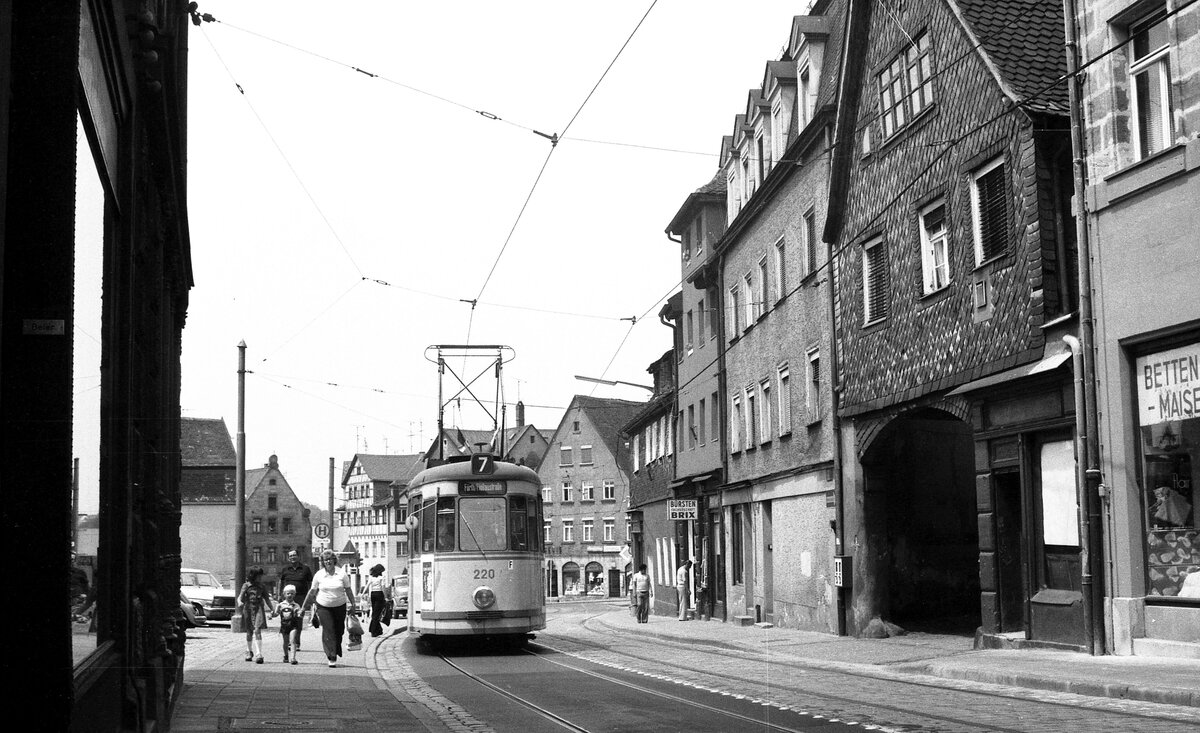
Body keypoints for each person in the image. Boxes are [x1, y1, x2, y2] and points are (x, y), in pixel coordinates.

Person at [301, 550, 357, 667]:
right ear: (322, 562)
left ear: (334, 560)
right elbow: (312, 592)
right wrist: (303, 607)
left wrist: (353, 604)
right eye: (325, 560)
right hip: (323, 606)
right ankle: (331, 655)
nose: (328, 561)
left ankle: (335, 648)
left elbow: (348, 590)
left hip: (340, 606)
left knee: (339, 631)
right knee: (328, 629)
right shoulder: (319, 575)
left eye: (330, 559)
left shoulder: (342, 574)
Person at [278, 550, 313, 649]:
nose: (293, 557)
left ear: (298, 556)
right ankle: (289, 642)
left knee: (298, 620)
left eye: (294, 555)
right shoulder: (285, 569)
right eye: (291, 556)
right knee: (287, 619)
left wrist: (311, 597)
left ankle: (296, 643)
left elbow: (311, 584)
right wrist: (280, 596)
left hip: (301, 597)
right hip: (287, 598)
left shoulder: (305, 569)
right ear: (289, 558)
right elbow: (281, 583)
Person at [239, 566, 274, 663]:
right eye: (258, 576)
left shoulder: (262, 586)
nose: (260, 577)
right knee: (249, 631)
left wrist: (272, 609)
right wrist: (239, 602)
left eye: (260, 575)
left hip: (258, 608)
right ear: (253, 576)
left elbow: (267, 599)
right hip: (248, 609)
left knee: (257, 630)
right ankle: (249, 651)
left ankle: (259, 654)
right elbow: (240, 597)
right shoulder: (246, 585)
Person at [270, 584, 303, 664]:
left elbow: (299, 615)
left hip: (293, 625)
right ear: (284, 594)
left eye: (292, 593)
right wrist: (272, 614)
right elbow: (276, 614)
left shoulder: (296, 605)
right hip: (284, 626)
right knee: (285, 642)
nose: (290, 595)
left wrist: (300, 613)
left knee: (293, 641)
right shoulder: (281, 605)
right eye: (288, 593)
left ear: (294, 595)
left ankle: (293, 658)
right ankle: (286, 655)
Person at [365, 564, 388, 637]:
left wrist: (362, 593)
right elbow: (383, 587)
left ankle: (378, 630)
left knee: (375, 612)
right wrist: (385, 596)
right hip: (379, 594)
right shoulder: (381, 578)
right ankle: (373, 631)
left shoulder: (371, 578)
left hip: (373, 594)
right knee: (377, 614)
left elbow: (367, 586)